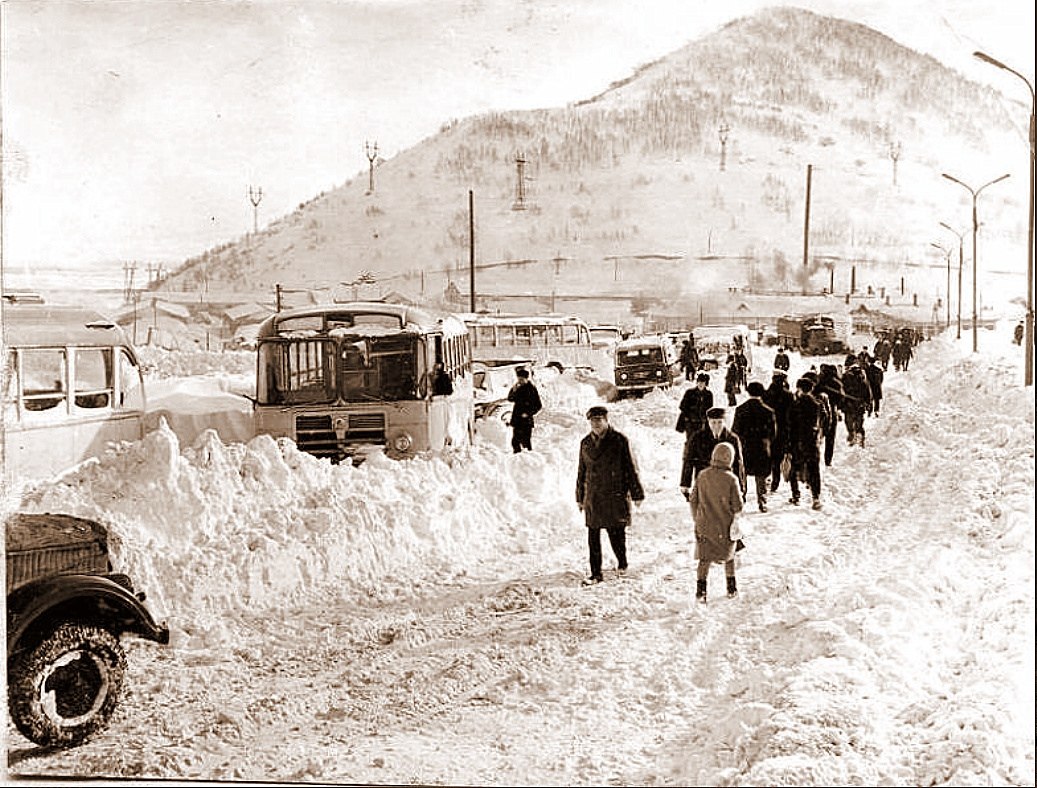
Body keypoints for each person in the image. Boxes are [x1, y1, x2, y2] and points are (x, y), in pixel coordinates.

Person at [575, 406, 644, 585]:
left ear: (606, 420)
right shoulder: (585, 443)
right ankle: (596, 573)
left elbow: (630, 468)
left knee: (616, 534)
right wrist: (580, 497)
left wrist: (636, 493)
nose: (596, 424)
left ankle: (622, 563)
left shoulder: (619, 440)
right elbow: (581, 472)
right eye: (593, 421)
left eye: (599, 420)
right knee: (593, 536)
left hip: (615, 493)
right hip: (594, 496)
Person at [689, 441, 744, 602]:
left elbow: (693, 500)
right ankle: (731, 587)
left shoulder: (702, 475)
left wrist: (696, 518)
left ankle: (701, 591)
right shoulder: (731, 479)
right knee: (729, 557)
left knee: (704, 559)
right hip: (724, 527)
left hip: (704, 526)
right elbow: (738, 506)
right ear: (730, 459)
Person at [681, 407, 745, 500]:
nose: (716, 426)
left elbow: (738, 464)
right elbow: (689, 461)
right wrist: (685, 484)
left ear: (724, 422)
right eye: (713, 422)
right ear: (708, 421)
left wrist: (741, 487)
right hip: (703, 481)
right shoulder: (697, 437)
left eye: (720, 422)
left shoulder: (732, 439)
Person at [732, 381, 776, 512]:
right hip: (761, 447)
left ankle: (742, 497)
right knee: (761, 475)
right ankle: (762, 501)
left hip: (744, 446)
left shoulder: (740, 409)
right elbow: (773, 433)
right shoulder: (768, 411)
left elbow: (735, 431)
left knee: (742, 473)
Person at [787, 376, 824, 510]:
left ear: (799, 389)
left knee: (794, 469)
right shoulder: (817, 404)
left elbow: (790, 425)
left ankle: (796, 496)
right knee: (814, 470)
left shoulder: (796, 404)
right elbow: (822, 420)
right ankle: (816, 498)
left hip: (798, 442)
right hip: (812, 442)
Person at [763, 370, 794, 496]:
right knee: (779, 456)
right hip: (783, 430)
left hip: (768, 430)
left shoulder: (766, 394)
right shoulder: (789, 395)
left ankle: (767, 478)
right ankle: (776, 480)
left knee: (768, 455)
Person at [507, 367, 542, 453]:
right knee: (515, 442)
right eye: (519, 379)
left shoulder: (531, 389)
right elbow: (510, 399)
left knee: (526, 442)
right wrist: (513, 390)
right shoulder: (518, 388)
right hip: (517, 419)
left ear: (526, 379)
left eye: (522, 379)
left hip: (526, 421)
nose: (520, 381)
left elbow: (538, 405)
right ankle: (517, 459)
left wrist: (528, 413)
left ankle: (529, 459)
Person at [816, 363, 844, 466]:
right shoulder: (837, 383)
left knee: (818, 436)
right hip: (832, 409)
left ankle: (817, 460)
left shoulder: (819, 382)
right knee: (830, 438)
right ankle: (828, 461)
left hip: (819, 411)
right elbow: (842, 398)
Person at [841, 354, 872, 447]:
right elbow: (867, 390)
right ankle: (859, 437)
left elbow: (842, 390)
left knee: (850, 422)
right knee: (858, 422)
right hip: (858, 404)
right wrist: (868, 403)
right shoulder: (862, 376)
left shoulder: (846, 376)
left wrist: (842, 404)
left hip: (850, 404)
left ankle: (854, 436)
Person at [676, 372, 713, 448]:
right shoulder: (690, 393)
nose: (700, 384)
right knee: (690, 441)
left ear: (706, 383)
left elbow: (709, 408)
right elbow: (682, 406)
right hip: (690, 422)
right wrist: (688, 416)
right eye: (699, 382)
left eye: (702, 382)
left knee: (701, 441)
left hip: (702, 422)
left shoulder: (708, 395)